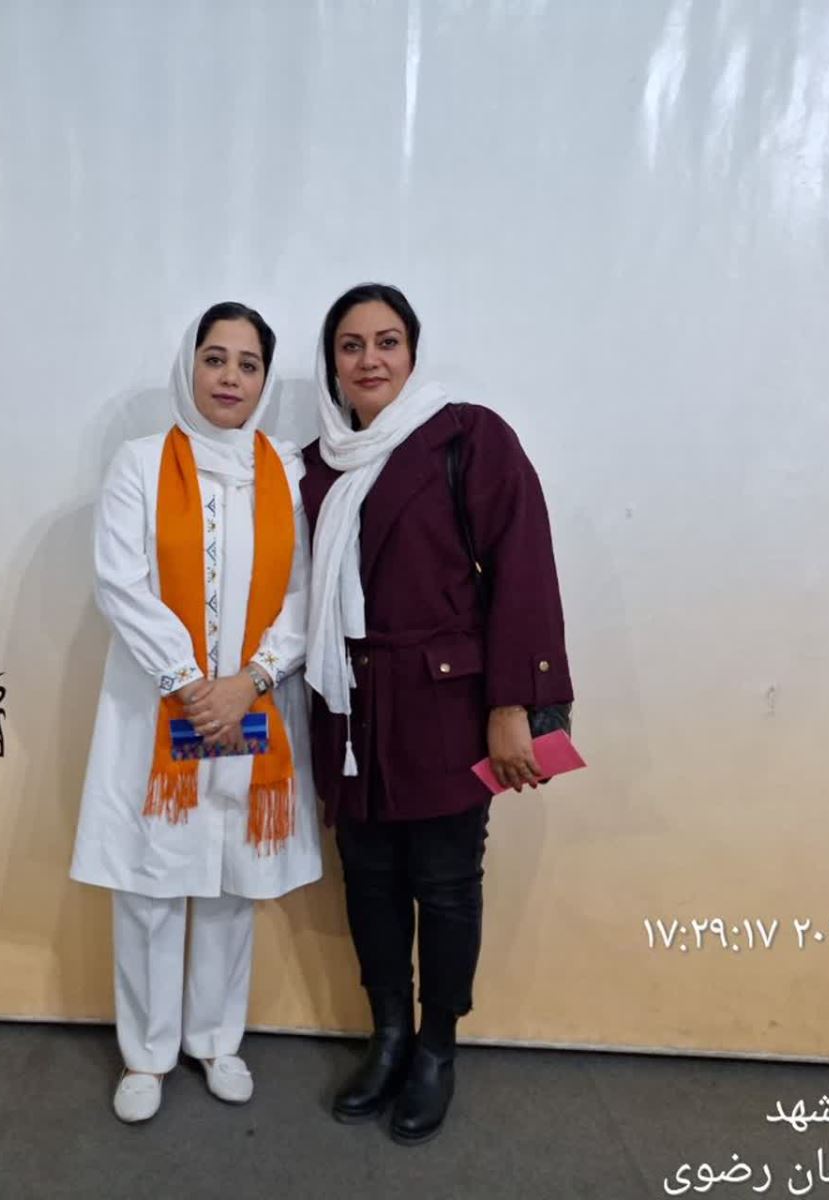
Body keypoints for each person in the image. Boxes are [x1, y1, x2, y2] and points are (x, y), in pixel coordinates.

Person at [300, 283, 573, 1145]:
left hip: (445, 704)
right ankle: (388, 1035)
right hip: (349, 710)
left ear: (413, 352)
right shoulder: (315, 465)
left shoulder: (468, 437)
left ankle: (437, 1048)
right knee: (369, 881)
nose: (369, 359)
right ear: (331, 362)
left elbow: (523, 570)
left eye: (387, 341)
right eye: (351, 345)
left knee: (448, 885)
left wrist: (512, 704)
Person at [70, 302, 321, 1124]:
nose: (230, 378)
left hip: (253, 705)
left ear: (264, 380)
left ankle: (216, 1040)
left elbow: (306, 590)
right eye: (216, 358)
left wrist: (249, 679)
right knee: (152, 879)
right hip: (157, 707)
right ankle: (146, 1054)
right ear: (190, 366)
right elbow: (120, 582)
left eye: (249, 364)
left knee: (227, 880)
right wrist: (188, 682)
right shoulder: (141, 464)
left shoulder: (287, 473)